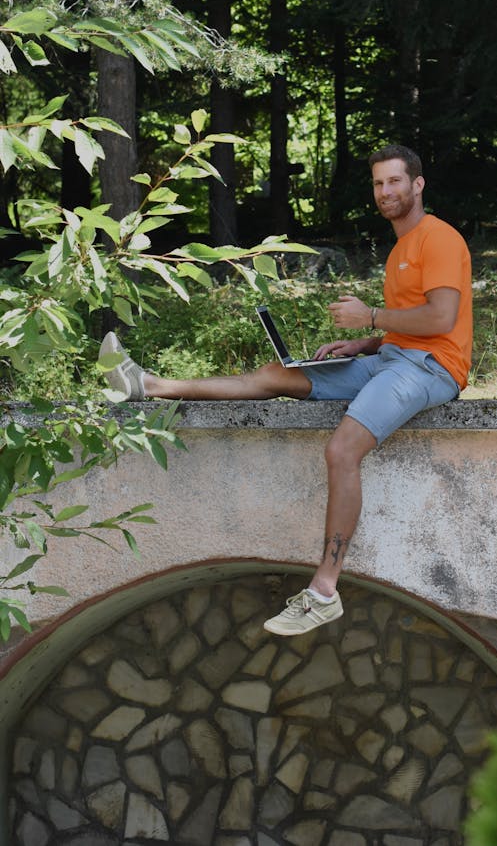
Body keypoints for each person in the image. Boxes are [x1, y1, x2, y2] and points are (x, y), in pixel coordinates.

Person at [100, 145, 472, 636]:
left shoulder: (438, 239)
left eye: (395, 182)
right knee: (277, 374)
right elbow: (416, 323)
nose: (386, 192)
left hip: (432, 370)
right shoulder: (402, 247)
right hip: (392, 357)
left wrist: (373, 316)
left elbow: (443, 320)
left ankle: (323, 590)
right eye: (379, 184)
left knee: (342, 450)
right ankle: (146, 384)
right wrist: (367, 340)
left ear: (417, 185)